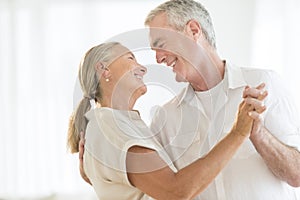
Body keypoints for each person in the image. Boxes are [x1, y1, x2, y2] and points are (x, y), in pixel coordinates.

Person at [68, 42, 267, 199]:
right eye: (130, 58)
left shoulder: (115, 124)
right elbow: (175, 191)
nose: (143, 68)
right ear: (104, 69)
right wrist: (238, 133)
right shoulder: (110, 125)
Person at [143, 0, 300, 199]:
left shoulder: (263, 84)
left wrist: (260, 135)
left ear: (193, 30)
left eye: (161, 44)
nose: (158, 59)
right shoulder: (165, 119)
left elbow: (297, 174)